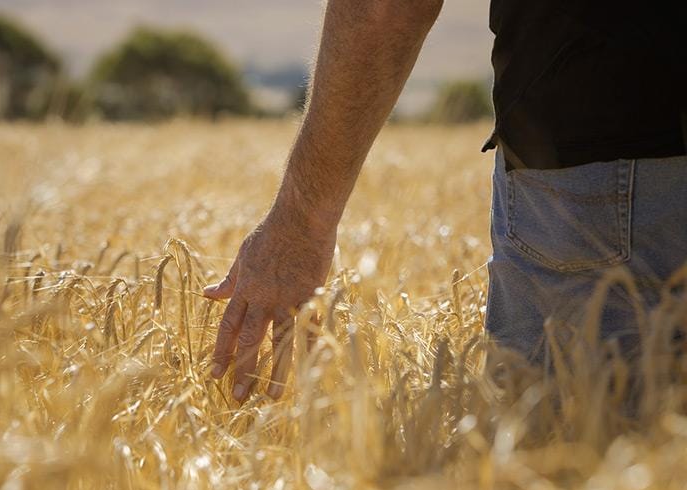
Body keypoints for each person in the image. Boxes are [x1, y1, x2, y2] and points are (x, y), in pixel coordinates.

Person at [203, 0, 687, 402]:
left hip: (605, 171)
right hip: (618, 156)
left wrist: (298, 223)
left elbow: (384, 6)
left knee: (572, 458)